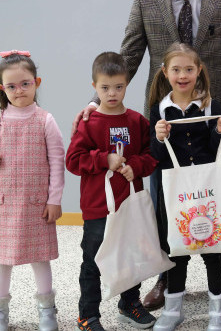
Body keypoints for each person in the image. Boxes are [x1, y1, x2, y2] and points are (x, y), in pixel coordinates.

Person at [73, 0, 221, 310]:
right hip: (165, 123)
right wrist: (96, 102)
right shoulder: (146, 0)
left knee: (219, 197)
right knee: (165, 201)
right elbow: (128, 57)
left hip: (214, 123)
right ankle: (166, 275)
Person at [0, 50, 65, 331]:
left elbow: (57, 161)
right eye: (11, 86)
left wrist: (54, 199)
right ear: (2, 88)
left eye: (25, 84)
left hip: (36, 204)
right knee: (1, 260)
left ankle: (47, 310)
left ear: (37, 83)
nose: (19, 90)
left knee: (40, 257)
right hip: (2, 204)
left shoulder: (45, 120)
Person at [66, 52, 159, 331]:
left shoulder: (137, 121)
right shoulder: (88, 123)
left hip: (129, 204)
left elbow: (151, 156)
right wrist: (103, 159)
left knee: (131, 256)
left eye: (118, 87)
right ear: (94, 86)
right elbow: (73, 160)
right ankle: (88, 315)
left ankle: (129, 304)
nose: (112, 93)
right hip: (98, 208)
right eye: (105, 87)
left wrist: (136, 166)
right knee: (93, 261)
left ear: (127, 84)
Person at [148, 43, 221, 331]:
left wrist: (220, 131)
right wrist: (159, 137)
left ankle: (219, 311)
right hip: (175, 194)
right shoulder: (159, 110)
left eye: (188, 69)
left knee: (213, 248)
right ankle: (173, 310)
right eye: (176, 69)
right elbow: (155, 157)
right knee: (176, 250)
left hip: (207, 191)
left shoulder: (211, 106)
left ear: (199, 70)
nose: (182, 75)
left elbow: (220, 151)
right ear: (165, 72)